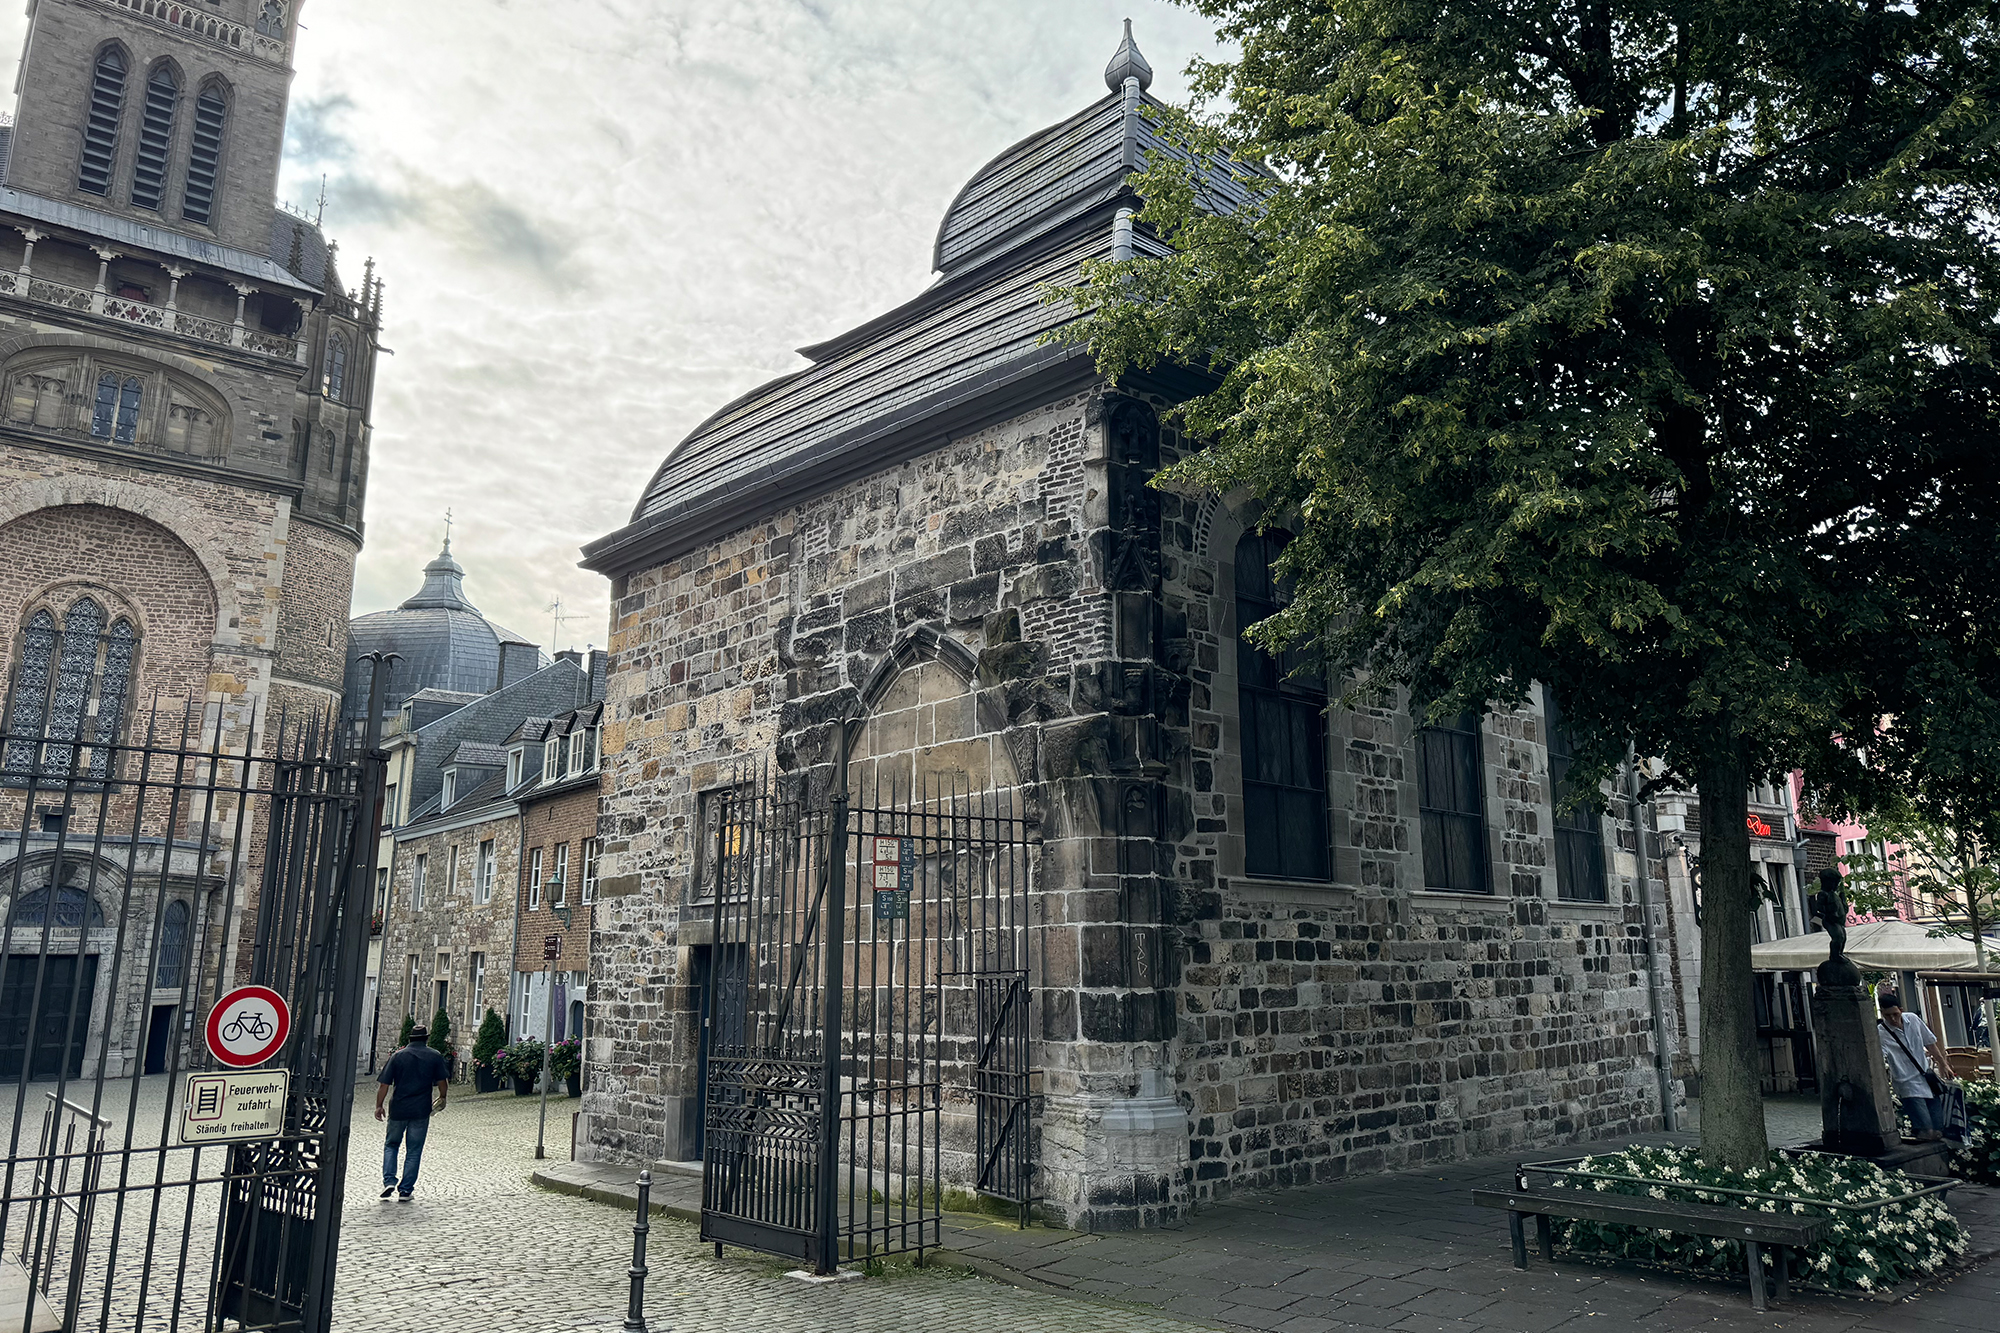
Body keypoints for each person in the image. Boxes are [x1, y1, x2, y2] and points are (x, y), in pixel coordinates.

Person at [375, 1025, 450, 1200]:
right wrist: (442, 1097)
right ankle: (406, 1190)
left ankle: (389, 1181)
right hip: (420, 1109)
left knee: (391, 1145)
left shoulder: (397, 1056)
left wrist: (379, 1105)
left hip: (398, 1108)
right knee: (414, 1150)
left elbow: (384, 1085)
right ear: (426, 1038)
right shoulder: (434, 1056)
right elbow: (442, 1082)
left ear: (409, 1039)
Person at [1877, 992, 1952, 1143]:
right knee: (1926, 1129)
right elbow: (1879, 1059)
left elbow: (1929, 1043)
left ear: (1901, 1009)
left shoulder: (1913, 1019)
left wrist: (1943, 1064)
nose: (1892, 1019)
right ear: (1882, 1014)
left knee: (1938, 1130)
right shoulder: (1881, 1033)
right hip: (1906, 1082)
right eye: (1887, 1016)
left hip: (1926, 1078)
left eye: (1895, 1014)